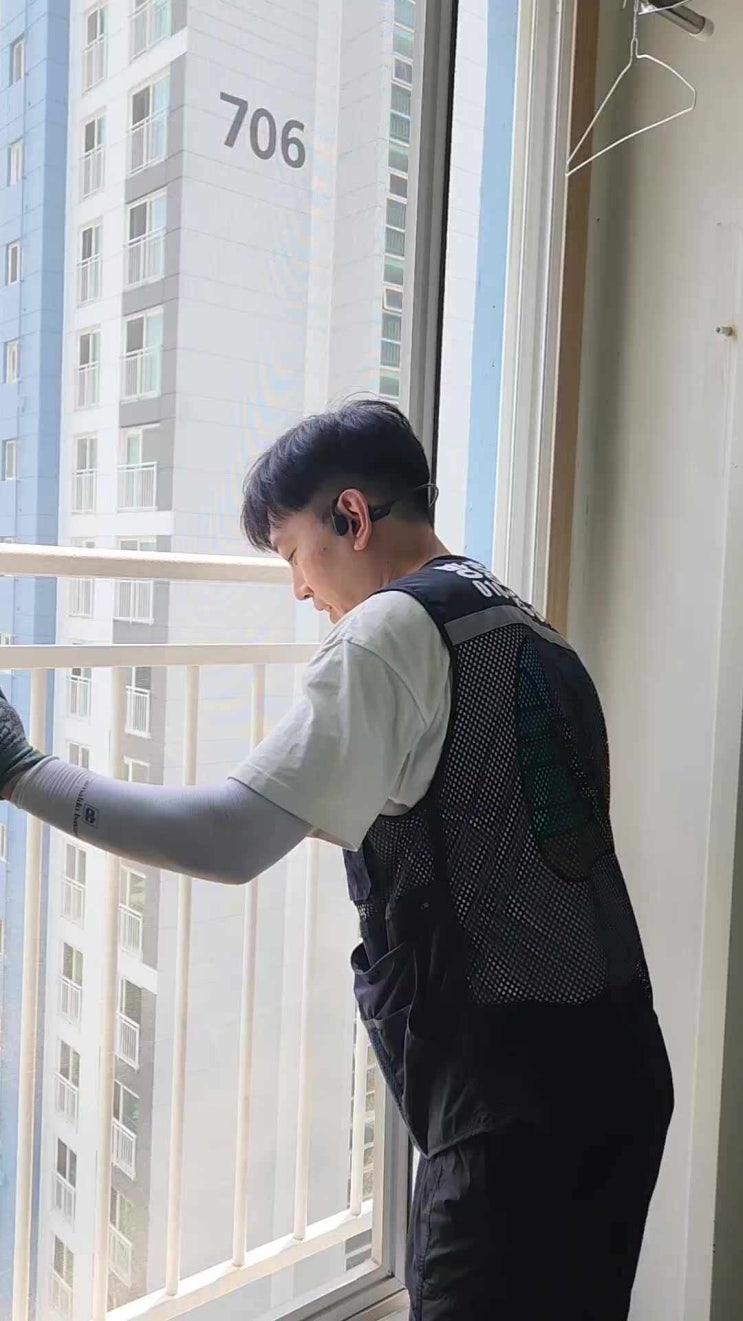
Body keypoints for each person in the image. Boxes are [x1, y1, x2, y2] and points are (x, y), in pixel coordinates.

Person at [0, 399, 673, 1320]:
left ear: (350, 517)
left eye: (291, 552)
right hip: (618, 1068)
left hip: (511, 1115)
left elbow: (230, 837)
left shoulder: (389, 631)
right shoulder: (520, 626)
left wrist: (22, 770)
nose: (297, 589)